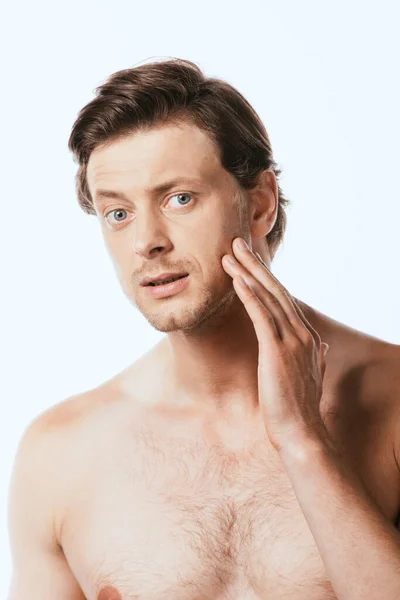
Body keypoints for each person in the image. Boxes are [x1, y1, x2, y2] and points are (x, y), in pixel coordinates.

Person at [7, 58, 400, 600]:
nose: (147, 241)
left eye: (179, 198)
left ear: (259, 203)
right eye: (117, 213)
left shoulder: (393, 402)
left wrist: (304, 442)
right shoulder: (60, 455)